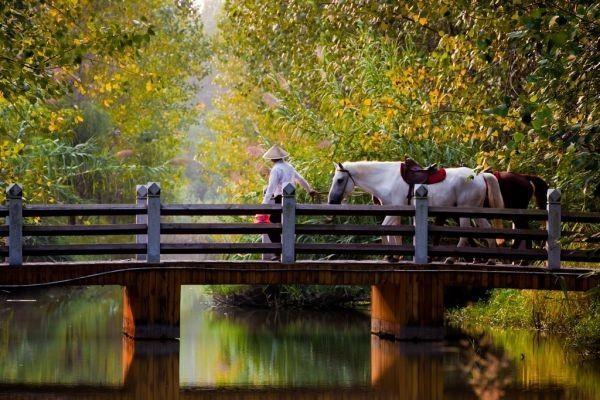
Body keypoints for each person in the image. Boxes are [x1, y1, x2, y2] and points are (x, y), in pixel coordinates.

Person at [261, 144, 317, 248]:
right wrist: (309, 190)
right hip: (291, 198)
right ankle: (287, 250)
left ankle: (278, 250)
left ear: (272, 159)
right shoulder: (289, 167)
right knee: (288, 225)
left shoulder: (276, 169)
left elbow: (271, 188)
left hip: (280, 200)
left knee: (271, 224)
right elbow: (300, 179)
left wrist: (264, 204)